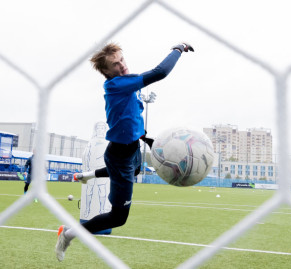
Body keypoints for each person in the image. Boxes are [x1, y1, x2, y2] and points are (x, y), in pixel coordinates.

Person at [55, 42, 194, 262]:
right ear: (107, 73)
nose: (121, 65)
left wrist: (147, 139)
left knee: (136, 170)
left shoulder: (128, 84)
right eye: (115, 64)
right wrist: (178, 49)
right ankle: (68, 235)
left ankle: (89, 175)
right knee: (118, 218)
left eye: (122, 60)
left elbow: (131, 119)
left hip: (131, 148)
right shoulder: (117, 85)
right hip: (119, 156)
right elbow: (160, 72)